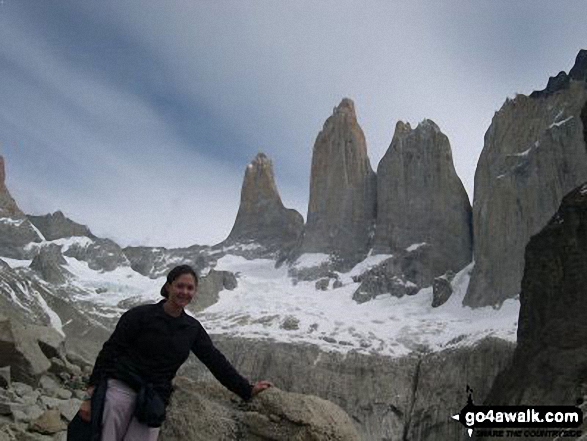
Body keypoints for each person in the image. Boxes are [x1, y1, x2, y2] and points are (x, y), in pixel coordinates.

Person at [77, 264, 272, 440]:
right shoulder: (139, 315)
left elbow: (215, 360)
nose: (184, 292)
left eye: (190, 288)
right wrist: (90, 396)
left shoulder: (192, 328)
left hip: (154, 399)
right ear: (169, 286)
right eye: (180, 286)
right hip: (121, 390)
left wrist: (246, 389)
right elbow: (110, 351)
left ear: (194, 292)